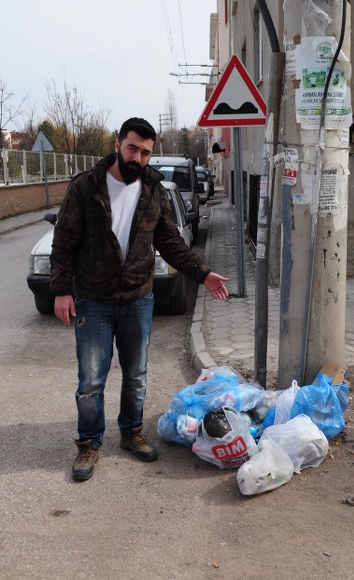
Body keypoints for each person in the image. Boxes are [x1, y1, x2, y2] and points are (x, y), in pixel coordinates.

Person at [50, 117, 229, 482]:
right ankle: (89, 442)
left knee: (137, 376)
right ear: (118, 145)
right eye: (133, 148)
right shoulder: (86, 187)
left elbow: (171, 243)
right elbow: (64, 241)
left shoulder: (154, 190)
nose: (139, 157)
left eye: (146, 152)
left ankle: (131, 432)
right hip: (93, 300)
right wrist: (61, 290)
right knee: (91, 381)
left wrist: (202, 273)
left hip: (137, 298)